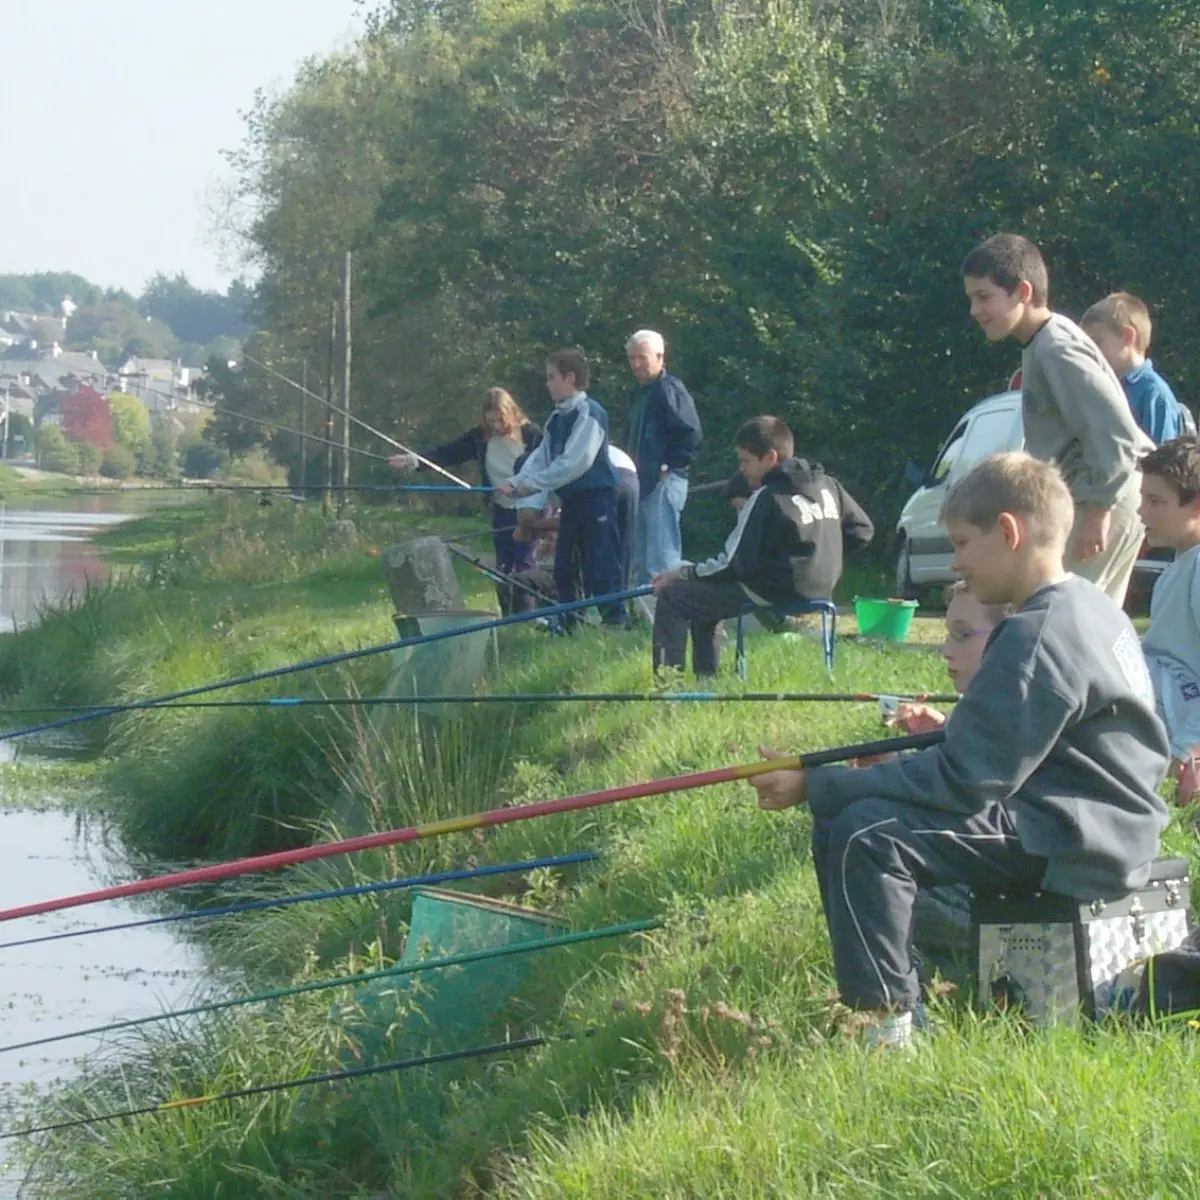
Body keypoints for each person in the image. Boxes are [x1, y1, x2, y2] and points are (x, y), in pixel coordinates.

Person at [751, 452, 1169, 1049]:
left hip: (1076, 837)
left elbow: (964, 782)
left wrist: (815, 785)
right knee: (855, 820)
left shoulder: (1036, 634)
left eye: (963, 543)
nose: (956, 562)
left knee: (867, 837)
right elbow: (991, 750)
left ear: (1008, 531)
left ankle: (887, 1033)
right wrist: (827, 773)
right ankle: (906, 996)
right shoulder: (1090, 605)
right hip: (1086, 817)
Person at [961, 234, 1153, 605]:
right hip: (1099, 496)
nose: (974, 310)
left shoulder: (1057, 347)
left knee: (1067, 617)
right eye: (971, 299)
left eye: (984, 297)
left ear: (1023, 292)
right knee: (1088, 623)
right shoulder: (1041, 344)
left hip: (1103, 498)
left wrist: (1099, 509)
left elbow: (1117, 433)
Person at [651, 416, 873, 677]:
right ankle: (705, 682)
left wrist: (682, 573)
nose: (741, 469)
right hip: (823, 589)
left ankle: (670, 686)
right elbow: (863, 531)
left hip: (774, 591)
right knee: (702, 594)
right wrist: (823, 554)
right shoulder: (828, 486)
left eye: (745, 461)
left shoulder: (767, 497)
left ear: (770, 458)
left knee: (674, 595)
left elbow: (732, 563)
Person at [497, 349, 627, 628]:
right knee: (564, 566)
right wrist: (516, 483)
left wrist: (530, 484)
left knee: (600, 562)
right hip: (572, 503)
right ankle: (569, 622)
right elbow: (540, 458)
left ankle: (615, 620)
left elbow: (574, 462)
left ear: (570, 378)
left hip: (597, 499)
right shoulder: (555, 419)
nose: (548, 384)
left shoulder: (590, 412)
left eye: (552, 377)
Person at [388, 387, 541, 614]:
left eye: (501, 420)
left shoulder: (532, 435)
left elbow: (549, 467)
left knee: (524, 565)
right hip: (502, 510)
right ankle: (510, 618)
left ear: (512, 412)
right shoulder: (480, 437)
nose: (497, 426)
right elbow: (447, 453)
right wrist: (414, 461)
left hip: (530, 509)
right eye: (491, 422)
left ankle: (530, 618)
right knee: (504, 568)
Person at [1138, 436, 1200, 804]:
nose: (1142, 512)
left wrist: (1190, 752)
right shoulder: (1176, 569)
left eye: (1156, 502)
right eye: (1143, 499)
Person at [625, 331, 703, 600]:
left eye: (642, 358)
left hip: (664, 483)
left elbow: (691, 432)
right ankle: (645, 618)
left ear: (660, 357)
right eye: (632, 358)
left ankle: (672, 614)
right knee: (641, 559)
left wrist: (669, 465)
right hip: (643, 484)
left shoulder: (669, 389)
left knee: (662, 556)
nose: (636, 364)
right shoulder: (640, 394)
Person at [1080, 292, 1194, 445]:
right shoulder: (1103, 385)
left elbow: (1163, 461)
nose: (1091, 350)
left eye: (1096, 342)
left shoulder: (1153, 393)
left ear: (1128, 337)